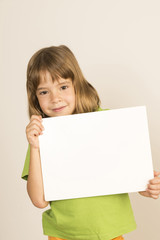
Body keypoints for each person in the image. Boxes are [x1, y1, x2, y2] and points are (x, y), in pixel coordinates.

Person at [21, 45, 160, 240]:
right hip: (63, 234)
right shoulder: (41, 136)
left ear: (77, 85)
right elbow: (39, 200)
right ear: (35, 98)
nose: (55, 98)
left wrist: (145, 185)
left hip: (110, 232)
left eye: (63, 87)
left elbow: (125, 172)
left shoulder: (108, 123)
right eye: (44, 92)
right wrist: (35, 147)